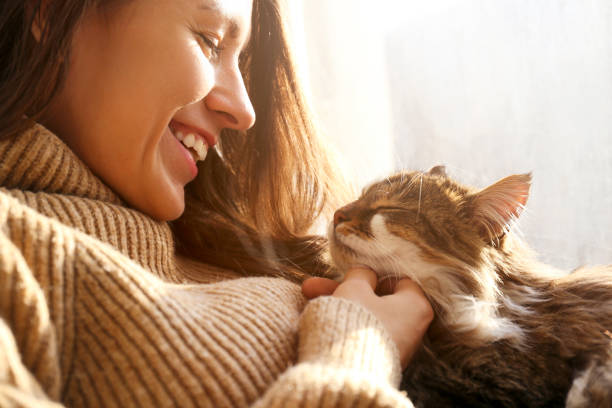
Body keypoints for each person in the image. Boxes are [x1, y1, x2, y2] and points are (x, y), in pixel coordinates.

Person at [0, 0, 433, 406]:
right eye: (209, 42)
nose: (245, 112)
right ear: (52, 10)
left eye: (241, 62)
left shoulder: (232, 242)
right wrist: (358, 352)